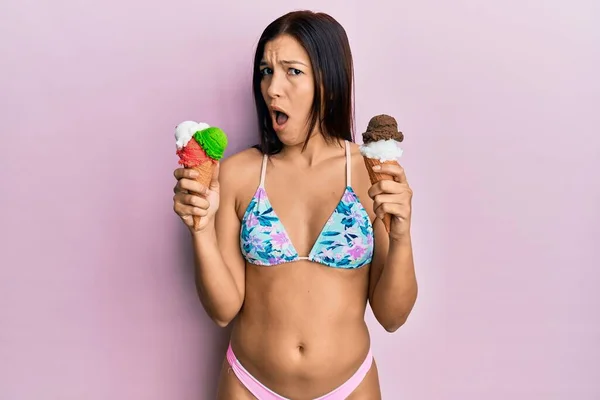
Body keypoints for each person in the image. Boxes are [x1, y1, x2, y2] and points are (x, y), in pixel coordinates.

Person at [172, 10, 418, 400]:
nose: (272, 88)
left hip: (349, 388)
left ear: (330, 85)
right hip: (249, 387)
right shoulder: (238, 174)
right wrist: (201, 229)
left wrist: (402, 236)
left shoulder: (371, 173)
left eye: (292, 71)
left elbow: (392, 316)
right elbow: (222, 310)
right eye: (266, 71)